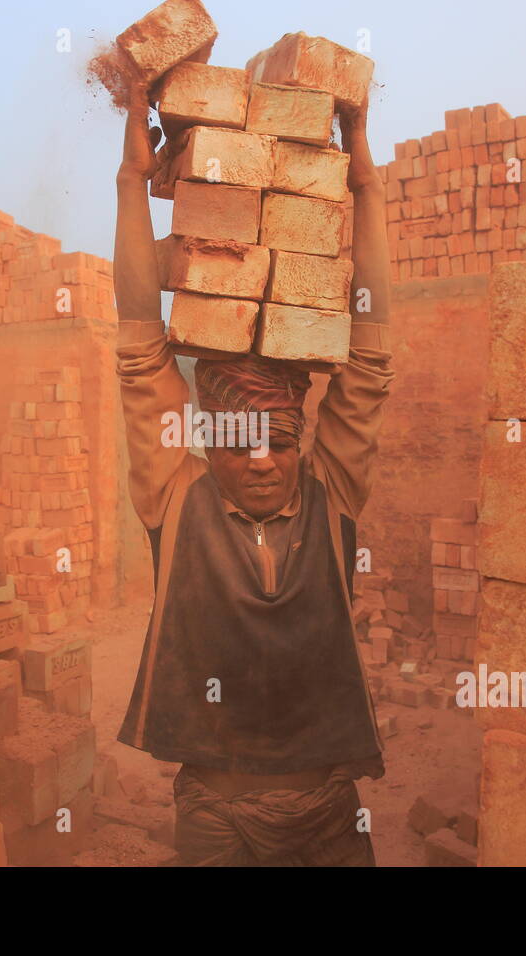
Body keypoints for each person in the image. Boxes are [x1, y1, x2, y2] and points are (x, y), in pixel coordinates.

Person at [111, 72, 394, 866]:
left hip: (333, 812)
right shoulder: (174, 499)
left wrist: (364, 181)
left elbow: (368, 360)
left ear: (304, 436)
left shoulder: (331, 496)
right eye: (237, 442)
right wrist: (133, 179)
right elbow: (140, 346)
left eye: (280, 437)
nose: (264, 460)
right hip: (215, 817)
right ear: (205, 437)